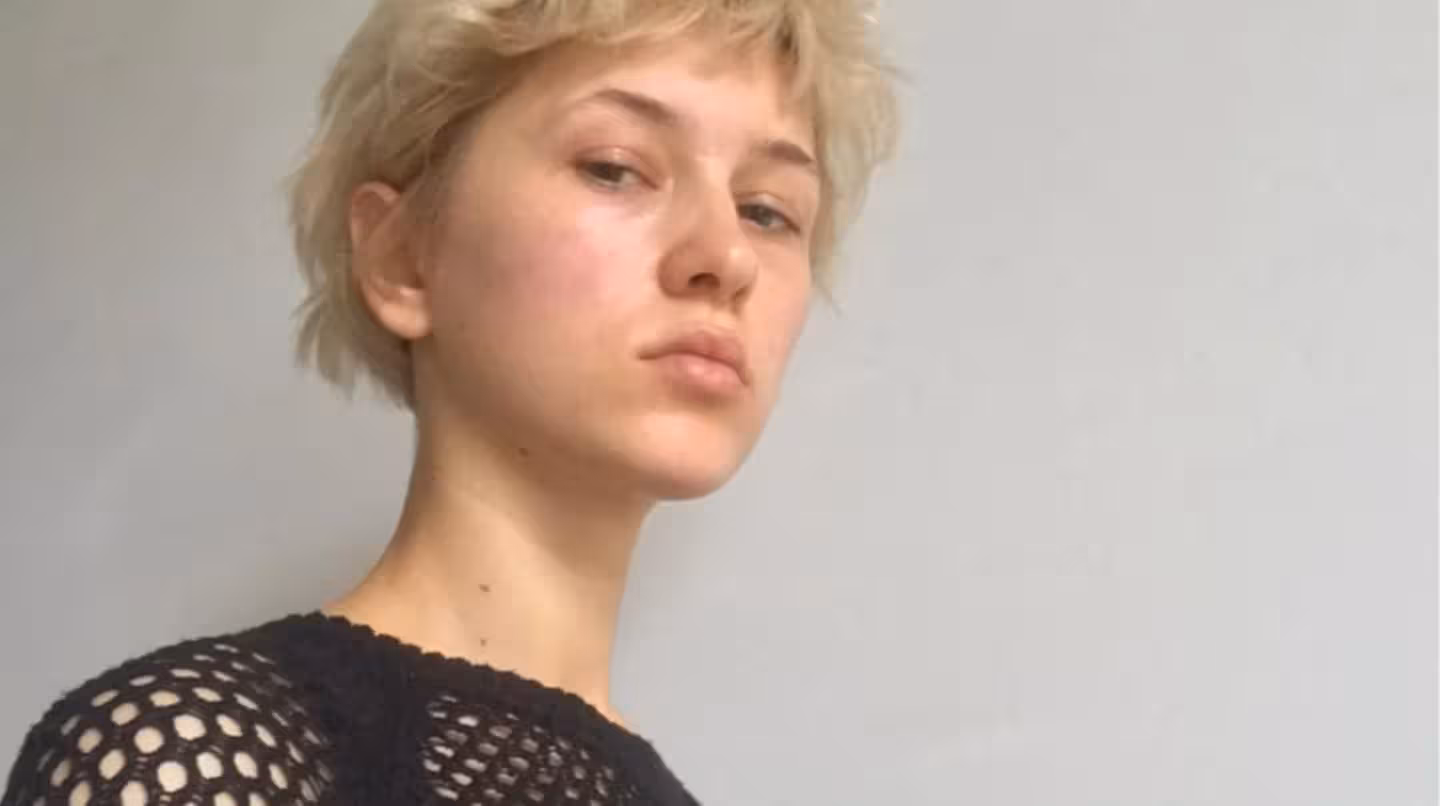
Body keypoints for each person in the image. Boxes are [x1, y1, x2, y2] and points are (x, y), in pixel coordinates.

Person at [1, 1, 899, 803]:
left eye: (769, 210)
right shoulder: (192, 760)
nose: (726, 256)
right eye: (615, 167)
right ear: (402, 256)